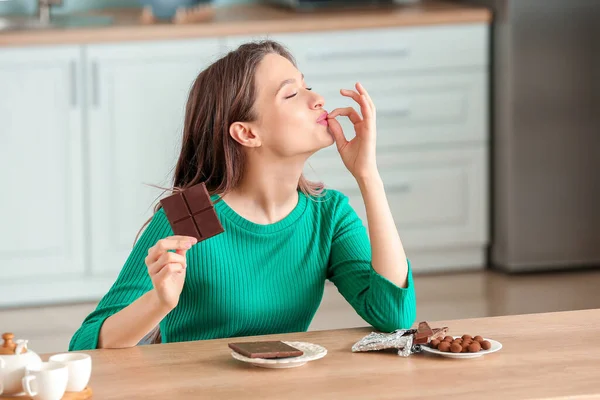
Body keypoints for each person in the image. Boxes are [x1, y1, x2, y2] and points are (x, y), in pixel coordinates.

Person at [69, 40, 416, 351]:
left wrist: (368, 176)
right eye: (291, 93)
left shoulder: (328, 214)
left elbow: (395, 316)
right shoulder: (192, 215)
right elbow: (85, 344)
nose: (318, 98)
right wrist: (159, 302)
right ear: (247, 133)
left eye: (307, 85)